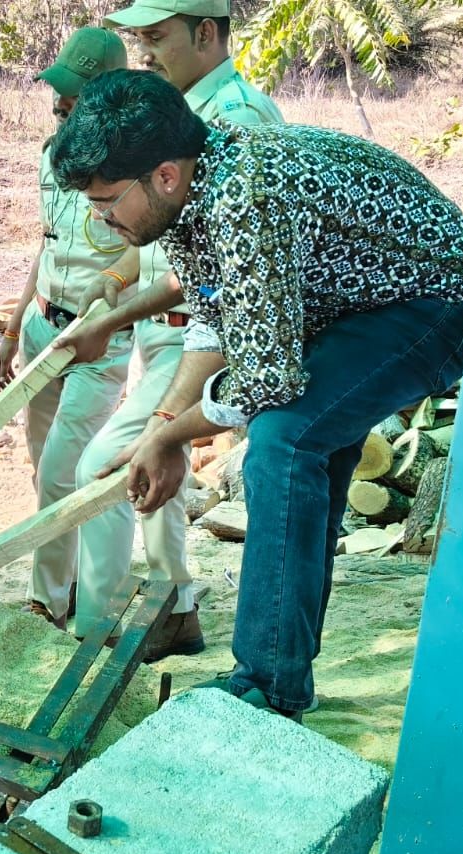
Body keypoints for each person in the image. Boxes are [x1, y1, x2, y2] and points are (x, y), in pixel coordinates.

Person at [49, 70, 463, 719]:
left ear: (162, 175)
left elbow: (265, 381)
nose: (101, 218)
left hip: (437, 300)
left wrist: (167, 437)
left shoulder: (245, 193)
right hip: (358, 307)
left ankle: (267, 686)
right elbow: (213, 320)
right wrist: (165, 422)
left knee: (283, 440)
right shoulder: (191, 189)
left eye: (107, 200)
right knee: (309, 445)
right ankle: (284, 669)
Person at [57, 0, 283, 661]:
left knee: (110, 465)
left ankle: (96, 631)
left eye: (157, 38)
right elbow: (189, 260)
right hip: (182, 323)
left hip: (224, 327)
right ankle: (176, 608)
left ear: (206, 31)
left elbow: (226, 288)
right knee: (160, 471)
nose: (147, 53)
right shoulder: (172, 119)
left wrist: (171, 424)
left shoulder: (233, 122)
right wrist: (122, 285)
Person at [0, 27, 135, 630]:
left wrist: (117, 289)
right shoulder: (54, 156)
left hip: (98, 338)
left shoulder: (134, 164)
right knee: (41, 465)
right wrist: (13, 325)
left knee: (63, 472)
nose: (59, 104)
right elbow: (44, 247)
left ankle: (50, 601)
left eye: (73, 95)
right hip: (42, 329)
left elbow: (150, 254)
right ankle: (65, 584)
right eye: (59, 92)